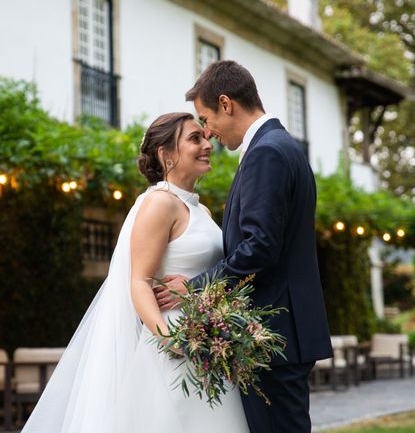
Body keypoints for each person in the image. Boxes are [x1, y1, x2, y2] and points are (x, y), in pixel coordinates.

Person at [21, 112, 249, 432]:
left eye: (204, 136)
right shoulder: (159, 203)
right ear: (165, 153)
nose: (206, 144)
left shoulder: (202, 209)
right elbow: (139, 281)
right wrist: (171, 340)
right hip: (174, 340)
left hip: (208, 339)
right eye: (194, 138)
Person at [155, 60, 333, 432]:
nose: (208, 132)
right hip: (283, 333)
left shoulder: (266, 153)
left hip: (276, 335)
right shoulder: (279, 146)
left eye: (206, 118)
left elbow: (259, 248)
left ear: (226, 103)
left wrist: (193, 288)